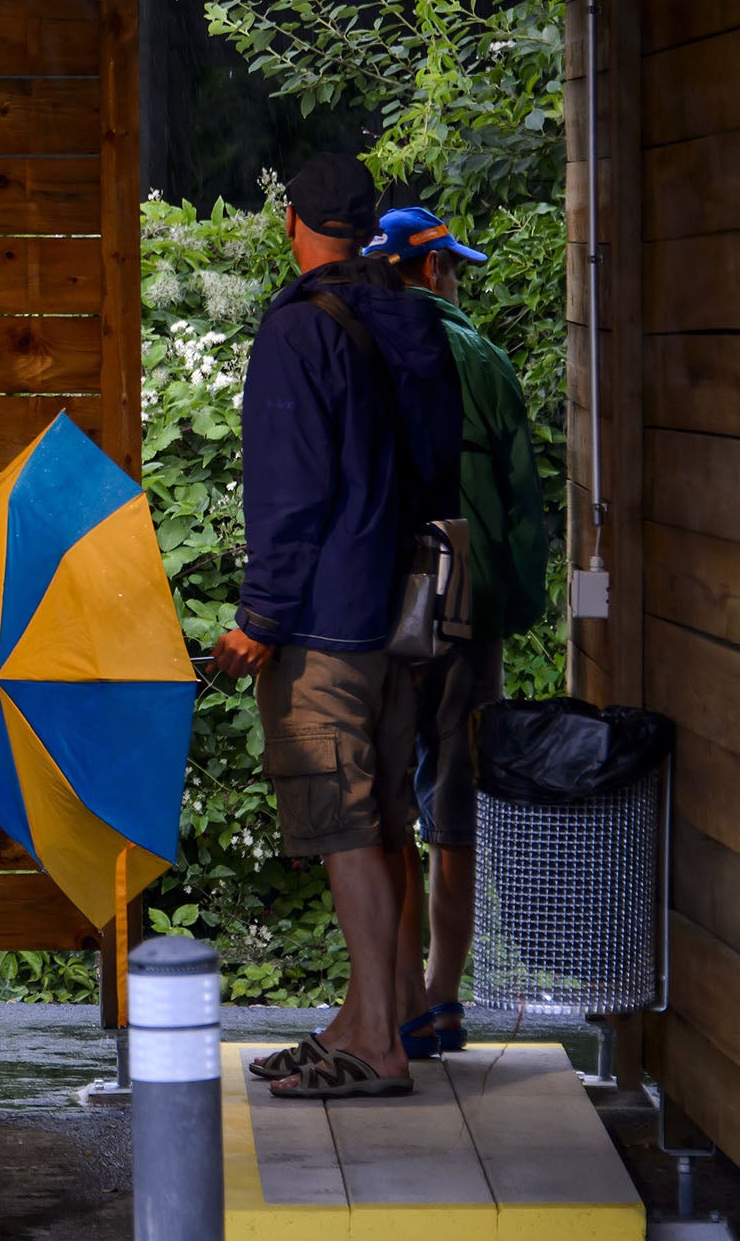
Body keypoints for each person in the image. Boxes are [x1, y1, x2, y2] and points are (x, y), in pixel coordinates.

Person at [211, 153, 462, 1100]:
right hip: (407, 618)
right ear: (369, 226)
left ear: (292, 221)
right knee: (388, 815)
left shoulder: (297, 332)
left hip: (324, 625)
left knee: (344, 823)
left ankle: (377, 1050)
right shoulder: (417, 316)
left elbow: (289, 493)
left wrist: (261, 620)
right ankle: (368, 1018)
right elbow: (440, 474)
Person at [363, 207, 549, 1059]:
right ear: (433, 271)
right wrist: (511, 612)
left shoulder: (359, 344)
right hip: (472, 601)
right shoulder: (482, 357)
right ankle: (442, 998)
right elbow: (519, 502)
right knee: (456, 802)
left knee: (388, 794)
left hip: (387, 598)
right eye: (452, 266)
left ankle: (393, 995)